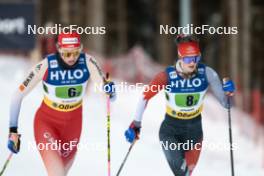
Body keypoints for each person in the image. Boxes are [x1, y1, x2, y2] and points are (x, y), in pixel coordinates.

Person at [7, 32, 116, 176]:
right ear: (58, 49)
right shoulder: (45, 65)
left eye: (75, 53)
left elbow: (108, 94)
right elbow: (17, 95)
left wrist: (110, 91)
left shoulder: (88, 62)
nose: (71, 58)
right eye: (66, 53)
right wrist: (13, 131)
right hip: (47, 123)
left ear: (81, 49)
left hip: (73, 127)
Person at [124, 35, 235, 176]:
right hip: (171, 130)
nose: (192, 63)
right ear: (180, 57)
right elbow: (145, 97)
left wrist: (229, 92)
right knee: (183, 173)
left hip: (195, 132)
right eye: (188, 59)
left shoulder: (207, 73)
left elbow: (227, 104)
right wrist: (136, 123)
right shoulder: (166, 76)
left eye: (196, 58)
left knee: (186, 173)